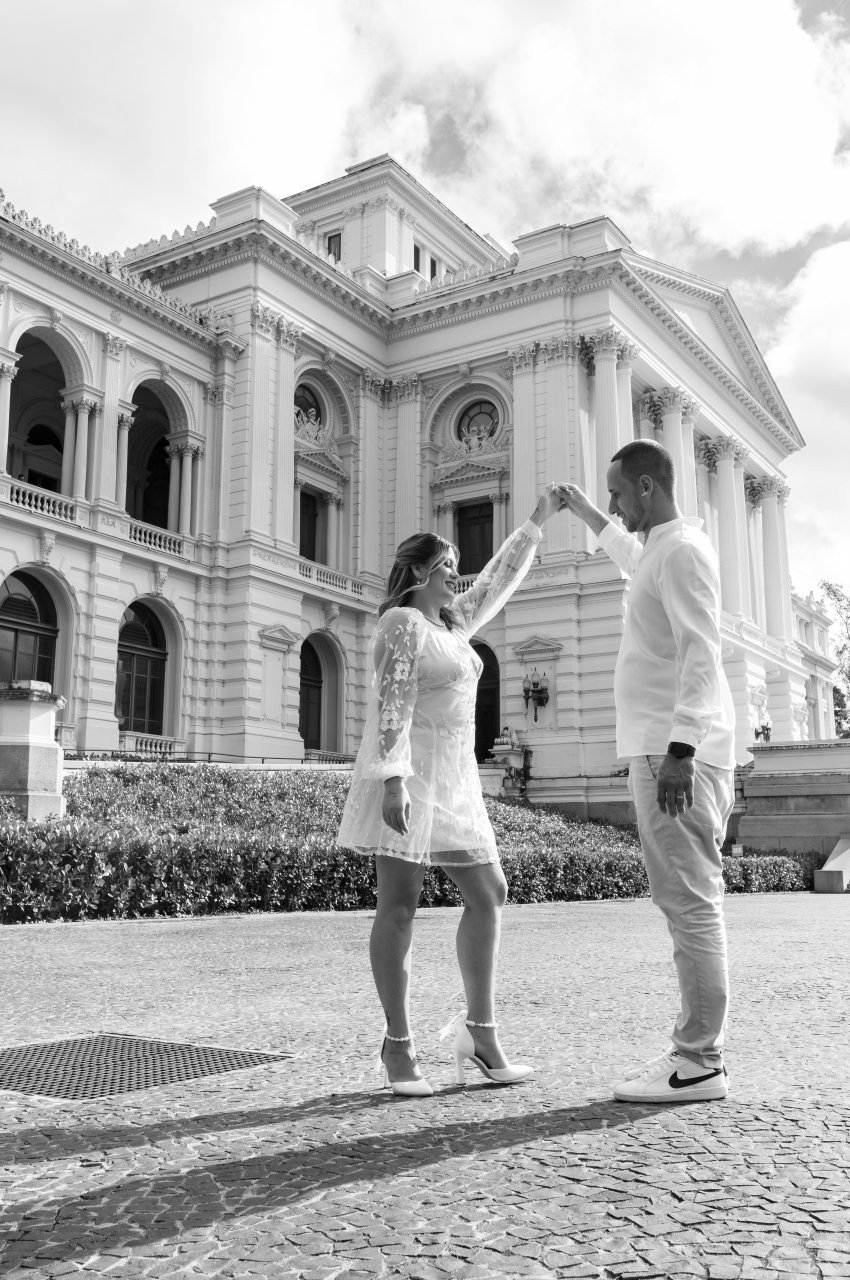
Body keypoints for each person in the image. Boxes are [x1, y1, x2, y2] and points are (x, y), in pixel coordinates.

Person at [336, 485, 565, 1096]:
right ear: (418, 573)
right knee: (399, 906)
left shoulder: (455, 624)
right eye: (445, 567)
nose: (454, 576)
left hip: (458, 783)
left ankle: (481, 1034)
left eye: (454, 567)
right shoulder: (402, 623)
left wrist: (536, 521)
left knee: (491, 891)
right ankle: (398, 1045)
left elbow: (495, 582)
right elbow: (392, 705)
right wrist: (392, 779)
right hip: (412, 778)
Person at [558, 440, 735, 1104]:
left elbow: (701, 652)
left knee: (689, 902)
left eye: (615, 494)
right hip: (664, 746)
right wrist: (586, 515)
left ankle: (698, 1061)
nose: (613, 505)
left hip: (674, 752)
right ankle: (697, 1053)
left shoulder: (682, 551)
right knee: (684, 900)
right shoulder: (661, 549)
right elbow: (634, 561)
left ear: (645, 488)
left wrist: (680, 751)